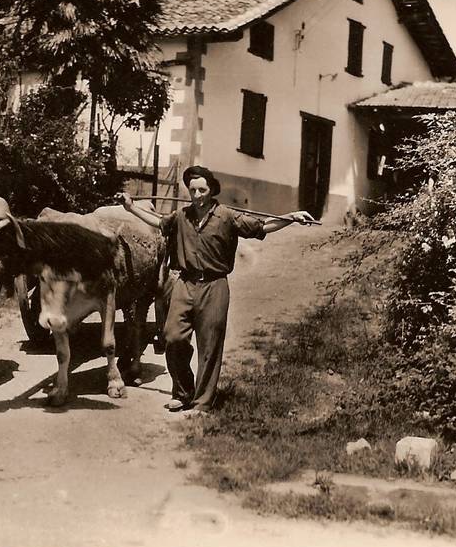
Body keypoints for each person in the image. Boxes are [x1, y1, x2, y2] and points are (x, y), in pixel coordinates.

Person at [116, 165, 315, 415]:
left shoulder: (228, 217)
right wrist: (130, 207)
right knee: (172, 337)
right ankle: (183, 392)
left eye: (202, 189)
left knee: (209, 346)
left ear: (211, 191)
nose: (197, 194)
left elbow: (262, 227)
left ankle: (202, 402)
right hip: (185, 284)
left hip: (215, 285)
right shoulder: (181, 216)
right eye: (193, 190)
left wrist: (290, 217)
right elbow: (159, 222)